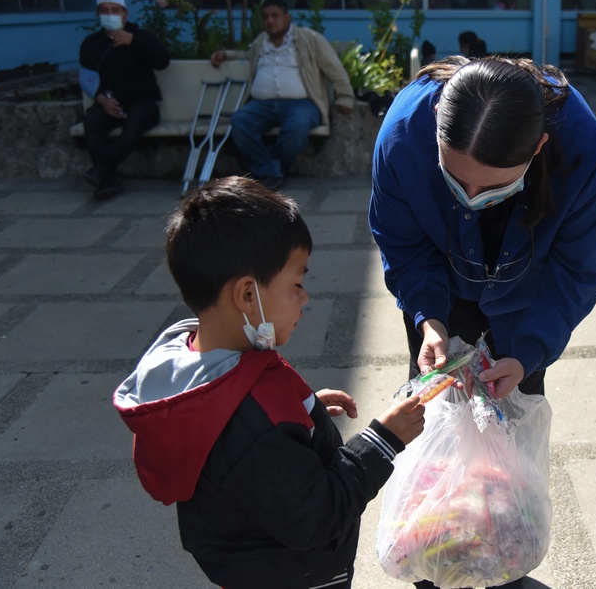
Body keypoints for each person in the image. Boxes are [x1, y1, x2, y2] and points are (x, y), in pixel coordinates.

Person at [369, 56, 596, 589]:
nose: (473, 198)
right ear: (435, 132)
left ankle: (498, 559)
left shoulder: (579, 144)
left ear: (538, 150)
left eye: (493, 187)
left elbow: (579, 268)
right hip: (441, 292)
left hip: (526, 304)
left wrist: (527, 352)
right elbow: (403, 244)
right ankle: (432, 558)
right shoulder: (404, 134)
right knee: (435, 425)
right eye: (456, 181)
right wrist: (427, 317)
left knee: (506, 436)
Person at [113, 176, 426, 589]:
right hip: (295, 573)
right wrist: (382, 440)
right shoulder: (255, 427)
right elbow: (317, 515)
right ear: (247, 295)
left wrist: (301, 409)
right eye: (296, 284)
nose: (305, 297)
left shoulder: (200, 362)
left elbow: (241, 434)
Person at [210, 0, 355, 191]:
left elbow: (334, 68)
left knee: (296, 128)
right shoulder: (261, 41)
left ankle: (269, 169)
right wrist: (226, 55)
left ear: (287, 17)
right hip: (261, 104)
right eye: (266, 17)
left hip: (301, 103)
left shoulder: (309, 39)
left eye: (275, 16)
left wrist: (345, 96)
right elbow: (247, 55)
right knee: (240, 122)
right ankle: (273, 170)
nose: (270, 21)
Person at [79, 0, 170, 200]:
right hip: (110, 102)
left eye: (115, 10)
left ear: (124, 14)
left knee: (132, 128)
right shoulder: (91, 44)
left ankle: (101, 171)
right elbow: (87, 78)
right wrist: (101, 99)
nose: (110, 14)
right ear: (98, 14)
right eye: (104, 11)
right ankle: (107, 180)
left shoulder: (141, 37)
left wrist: (134, 41)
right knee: (92, 123)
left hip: (143, 102)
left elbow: (162, 61)